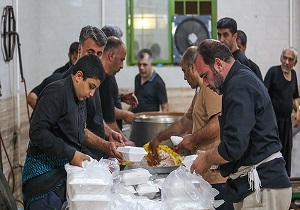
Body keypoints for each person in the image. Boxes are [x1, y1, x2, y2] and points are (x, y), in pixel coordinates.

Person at [193, 39, 291, 210]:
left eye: (205, 76)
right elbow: (243, 138)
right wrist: (225, 163)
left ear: (218, 64)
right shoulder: (237, 81)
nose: (205, 84)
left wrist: (207, 159)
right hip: (255, 185)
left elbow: (234, 146)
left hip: (263, 187)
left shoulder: (239, 85)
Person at [22, 54, 123, 210]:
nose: (92, 94)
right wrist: (71, 154)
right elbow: (37, 132)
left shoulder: (80, 100)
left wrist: (106, 147)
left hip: (62, 174)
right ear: (79, 76)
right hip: (43, 179)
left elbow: (78, 133)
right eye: (91, 86)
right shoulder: (56, 92)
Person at [149, 46, 233, 210]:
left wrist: (192, 139)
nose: (184, 77)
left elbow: (217, 124)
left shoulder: (210, 90)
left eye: (184, 71)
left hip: (218, 177)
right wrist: (159, 138)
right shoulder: (200, 91)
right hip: (206, 175)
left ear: (193, 67)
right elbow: (185, 122)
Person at [264, 47, 300, 177]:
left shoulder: (294, 75)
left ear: (295, 62)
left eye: (290, 59)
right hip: (274, 123)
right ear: (281, 58)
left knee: (286, 155)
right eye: (284, 58)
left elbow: (295, 97)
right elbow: (263, 96)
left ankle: (286, 182)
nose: (286, 62)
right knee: (274, 155)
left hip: (287, 123)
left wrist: (298, 111)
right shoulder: (273, 72)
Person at [101, 24, 138, 131]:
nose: (122, 66)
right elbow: (106, 112)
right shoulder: (103, 75)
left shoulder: (110, 73)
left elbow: (105, 98)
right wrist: (125, 115)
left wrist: (121, 97)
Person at [27, 41, 79, 109]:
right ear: (69, 55)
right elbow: (31, 97)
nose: (77, 62)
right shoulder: (57, 75)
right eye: (75, 58)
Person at [130, 48, 168, 113]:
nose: (141, 68)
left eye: (145, 65)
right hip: (136, 119)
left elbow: (165, 108)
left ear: (151, 64)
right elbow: (136, 101)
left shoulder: (158, 83)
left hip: (150, 121)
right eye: (139, 64)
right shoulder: (137, 78)